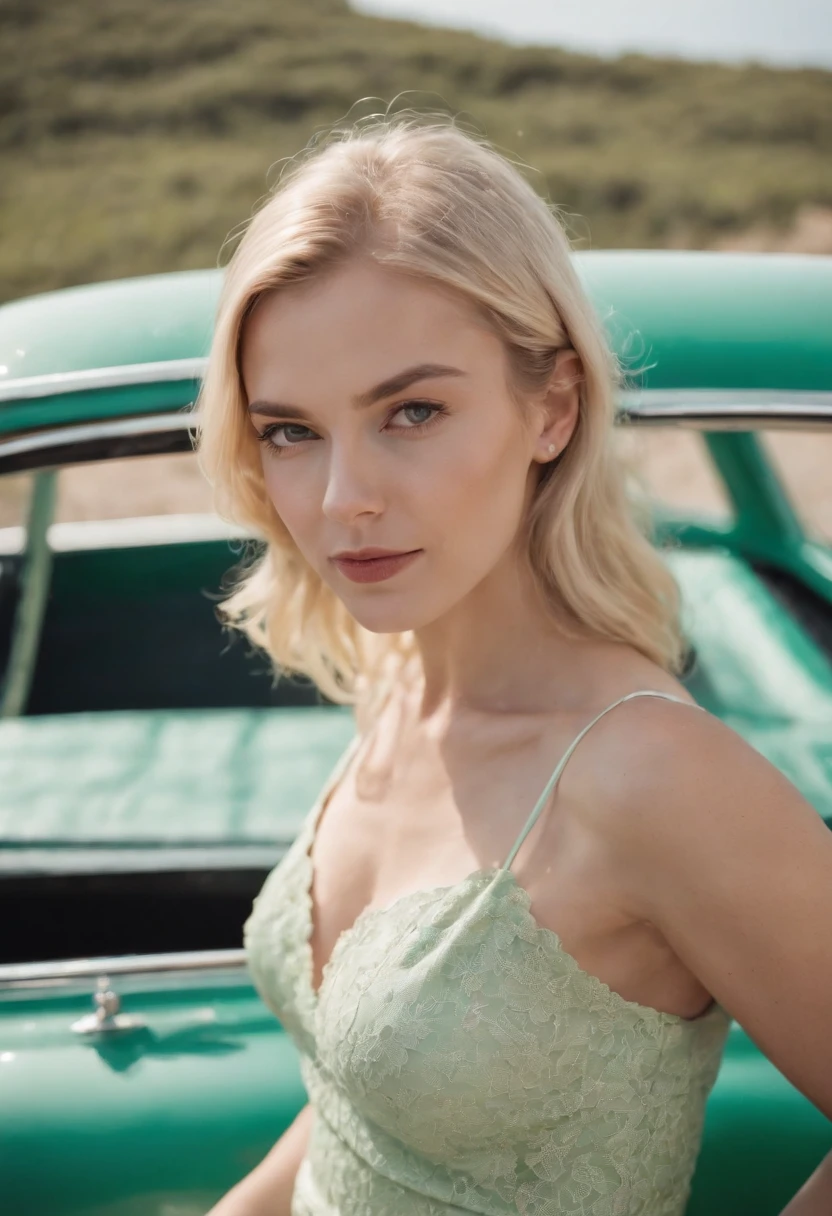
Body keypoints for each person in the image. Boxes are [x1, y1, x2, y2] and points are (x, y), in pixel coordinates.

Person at [197, 112, 832, 1216]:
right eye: (290, 430)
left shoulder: (649, 773)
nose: (344, 496)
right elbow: (364, 1105)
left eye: (412, 411)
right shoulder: (395, 684)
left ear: (551, 407)